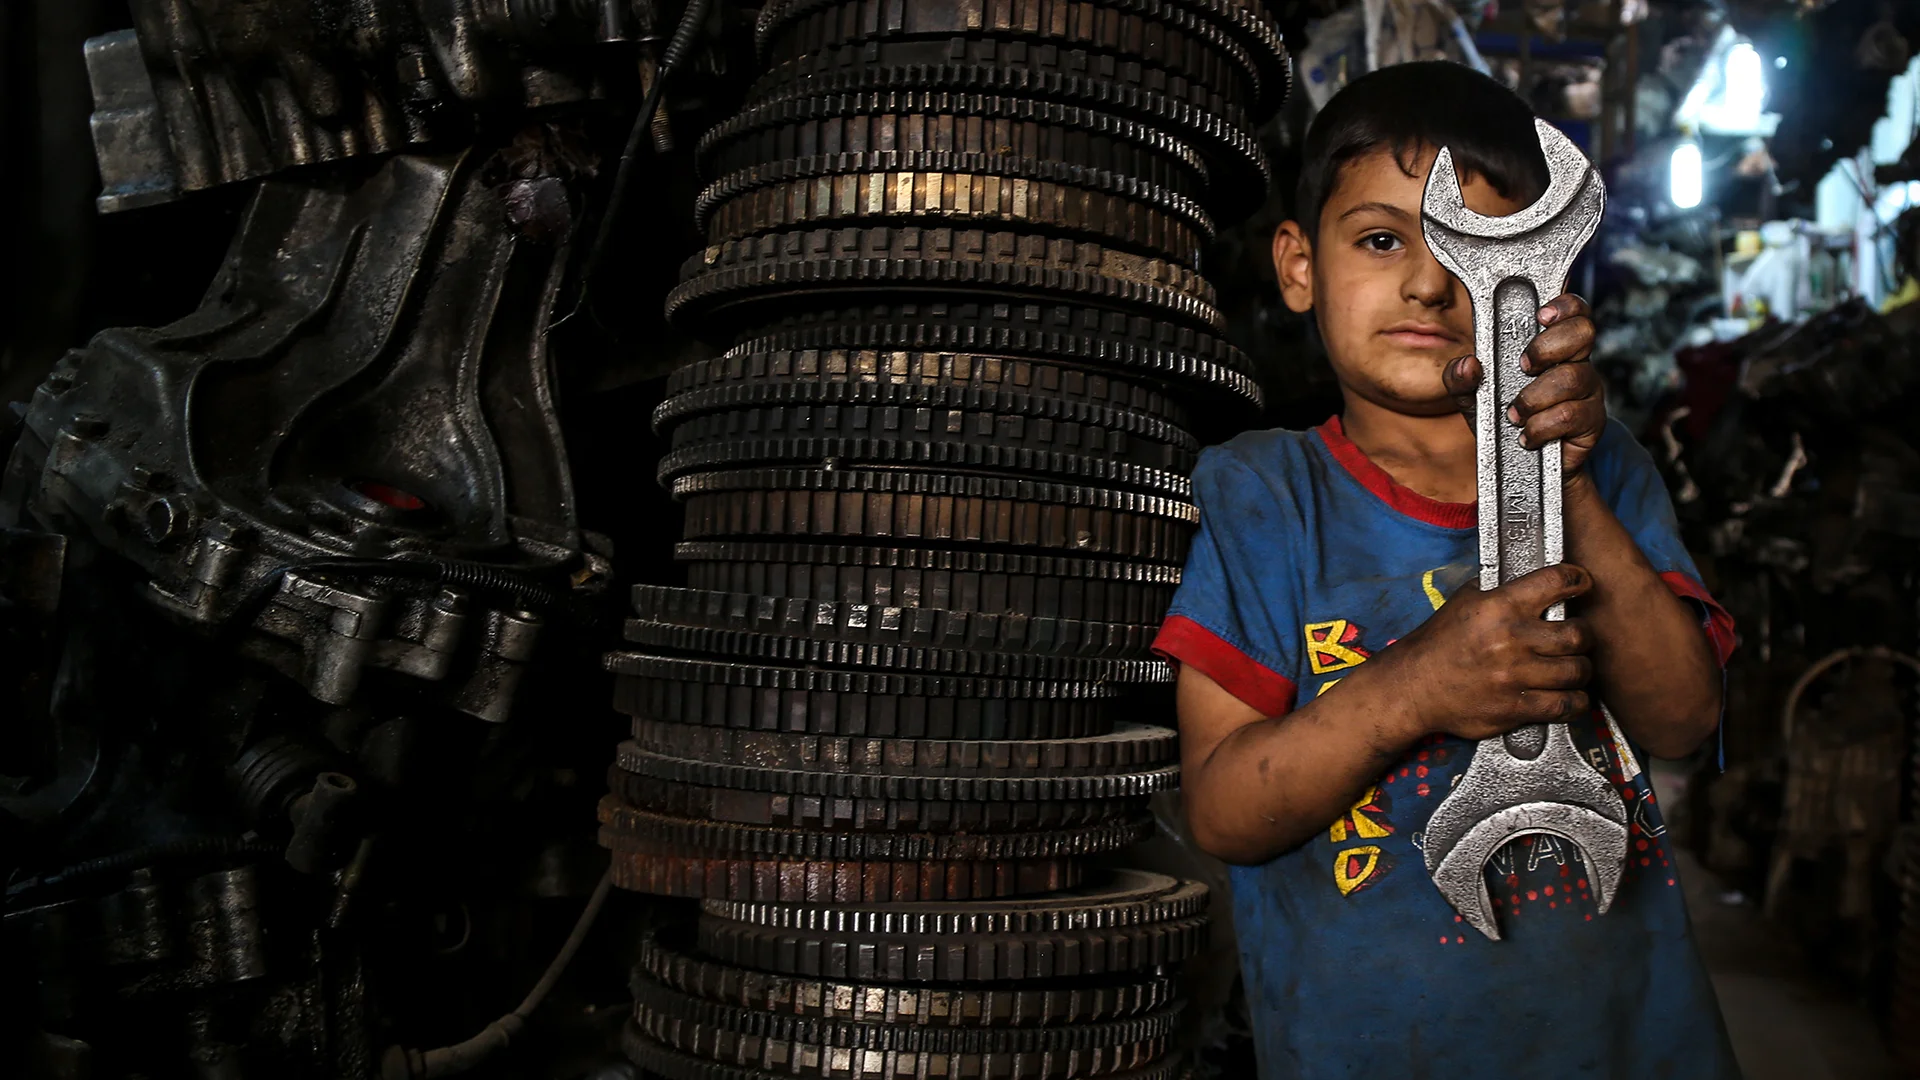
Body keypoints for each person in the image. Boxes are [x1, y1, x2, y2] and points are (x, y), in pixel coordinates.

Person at [1153, 61, 1741, 1077]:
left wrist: (1567, 481)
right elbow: (1222, 810)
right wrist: (1418, 684)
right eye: (1381, 240)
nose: (1429, 283)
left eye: (1470, 258)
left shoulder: (1607, 470)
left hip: (1630, 1045)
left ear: (1535, 287)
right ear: (1299, 267)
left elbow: (1684, 720)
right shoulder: (1266, 497)